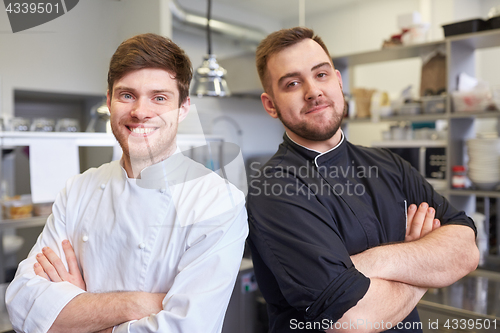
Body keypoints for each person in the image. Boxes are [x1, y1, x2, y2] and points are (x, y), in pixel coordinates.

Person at [6, 33, 248, 333]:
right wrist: (140, 304)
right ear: (109, 101)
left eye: (159, 97)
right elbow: (21, 302)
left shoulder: (216, 200)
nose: (140, 111)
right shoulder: (78, 189)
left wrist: (76, 310)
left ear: (183, 108)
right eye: (126, 95)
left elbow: (188, 328)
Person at [247, 27, 479, 333]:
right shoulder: (274, 190)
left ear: (338, 81)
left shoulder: (388, 164)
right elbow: (355, 319)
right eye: (292, 83)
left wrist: (375, 261)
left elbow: (466, 250)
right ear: (270, 105)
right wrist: (425, 269)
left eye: (321, 74)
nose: (313, 91)